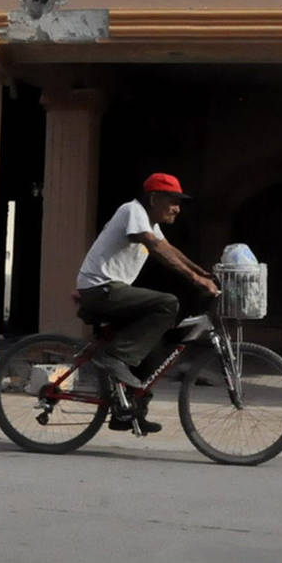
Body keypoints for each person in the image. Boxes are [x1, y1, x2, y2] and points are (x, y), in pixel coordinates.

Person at [76, 172, 218, 432]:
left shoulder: (150, 223)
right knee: (167, 303)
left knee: (153, 349)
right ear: (154, 199)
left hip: (113, 291)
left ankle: (127, 413)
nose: (177, 208)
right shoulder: (133, 211)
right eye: (173, 201)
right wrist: (196, 281)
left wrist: (203, 273)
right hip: (100, 289)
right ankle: (114, 357)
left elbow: (170, 249)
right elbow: (156, 249)